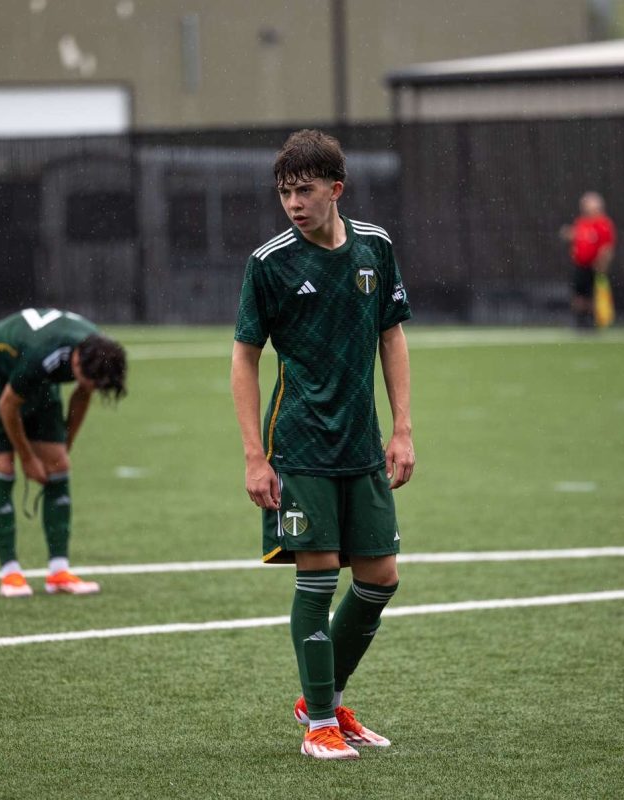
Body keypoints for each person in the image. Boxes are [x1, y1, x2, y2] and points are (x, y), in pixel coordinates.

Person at [231, 129, 415, 761]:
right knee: (317, 580)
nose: (293, 204)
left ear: (336, 188)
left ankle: (323, 702)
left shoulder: (375, 248)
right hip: (301, 447)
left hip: (363, 445)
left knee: (380, 579)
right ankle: (319, 727)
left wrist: (403, 429)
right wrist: (256, 456)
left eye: (304, 191)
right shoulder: (269, 262)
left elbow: (392, 336)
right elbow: (244, 359)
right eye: (284, 193)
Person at [0, 307, 127, 598]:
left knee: (58, 464)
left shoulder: (96, 351)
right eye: (87, 381)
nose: (88, 388)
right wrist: (27, 458)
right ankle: (10, 574)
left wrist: (66, 443)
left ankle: (59, 572)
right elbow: (7, 405)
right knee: (3, 466)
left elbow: (82, 393)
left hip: (38, 382)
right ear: (76, 361)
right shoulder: (42, 353)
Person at [559, 191, 615, 330]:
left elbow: (607, 246)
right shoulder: (582, 222)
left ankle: (592, 321)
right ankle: (580, 321)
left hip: (594, 266)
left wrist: (602, 262)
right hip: (580, 265)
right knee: (579, 294)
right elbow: (578, 237)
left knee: (592, 295)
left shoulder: (603, 224)